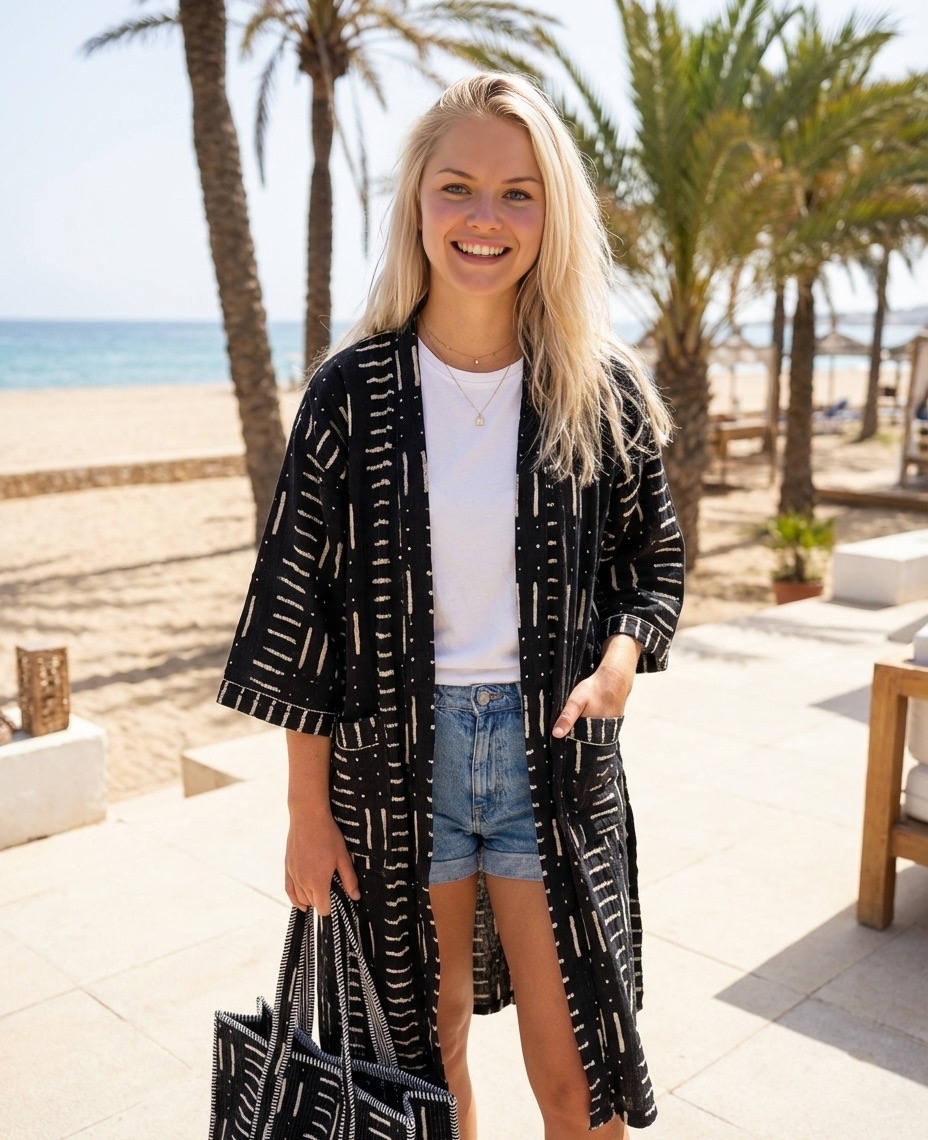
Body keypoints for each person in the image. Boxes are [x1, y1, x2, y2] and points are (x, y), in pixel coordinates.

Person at [218, 73, 684, 1138]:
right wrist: (305, 812)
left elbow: (651, 564)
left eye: (519, 192)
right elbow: (303, 616)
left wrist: (618, 664)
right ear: (418, 203)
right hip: (391, 770)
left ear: (553, 214)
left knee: (580, 1081)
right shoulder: (349, 394)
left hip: (550, 764)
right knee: (423, 1072)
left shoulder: (597, 390)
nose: (485, 217)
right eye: (457, 187)